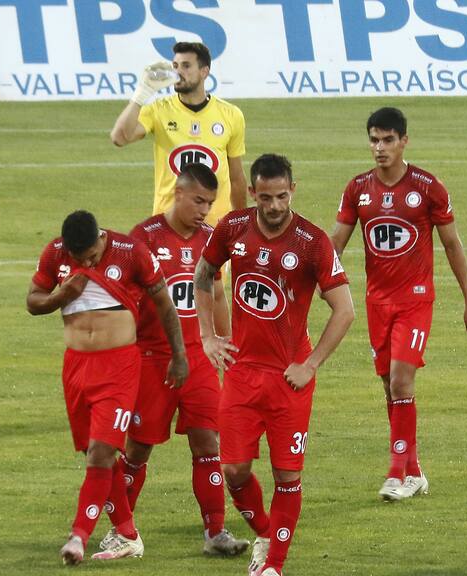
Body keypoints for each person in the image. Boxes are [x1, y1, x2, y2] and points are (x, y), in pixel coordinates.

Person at [195, 154, 355, 576]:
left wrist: (312, 363)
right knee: (233, 469)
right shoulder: (232, 228)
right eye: (265, 197)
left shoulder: (312, 241)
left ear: (293, 190)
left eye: (282, 196)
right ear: (253, 193)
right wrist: (207, 335)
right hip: (243, 374)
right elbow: (204, 272)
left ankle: (273, 567)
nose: (274, 206)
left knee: (287, 475)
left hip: (289, 379)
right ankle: (265, 534)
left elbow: (344, 310)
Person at [331, 107, 467, 501]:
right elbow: (335, 246)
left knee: (401, 379)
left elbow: (452, 244)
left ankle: (396, 473)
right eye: (374, 140)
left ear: (403, 142)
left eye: (387, 140)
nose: (379, 148)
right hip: (376, 302)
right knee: (390, 386)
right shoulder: (357, 189)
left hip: (415, 300)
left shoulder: (428, 187)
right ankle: (414, 471)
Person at [101, 162, 247, 556]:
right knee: (137, 448)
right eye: (198, 200)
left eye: (210, 203)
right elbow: (123, 301)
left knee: (208, 441)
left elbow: (216, 293)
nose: (204, 210)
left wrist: (225, 340)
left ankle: (216, 533)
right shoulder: (142, 238)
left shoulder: (210, 239)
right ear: (178, 193)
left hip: (198, 357)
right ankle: (122, 532)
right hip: (154, 359)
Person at [27, 210, 188, 565]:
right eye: (78, 258)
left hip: (119, 367)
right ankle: (128, 534)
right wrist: (62, 295)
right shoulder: (56, 254)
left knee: (102, 451)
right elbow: (33, 302)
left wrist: (179, 355)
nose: (86, 262)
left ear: (101, 239)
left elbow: (164, 303)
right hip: (76, 367)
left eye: (91, 256)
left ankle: (78, 536)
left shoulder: (131, 252)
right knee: (98, 453)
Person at [110, 41, 247, 225]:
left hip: (214, 227)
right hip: (168, 226)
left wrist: (242, 223)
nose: (178, 72)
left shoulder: (231, 115)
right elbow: (119, 138)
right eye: (175, 66)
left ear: (204, 72)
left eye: (186, 66)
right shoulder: (158, 110)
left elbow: (236, 178)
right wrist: (142, 93)